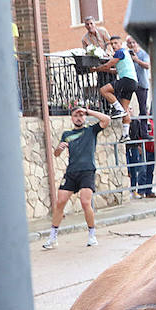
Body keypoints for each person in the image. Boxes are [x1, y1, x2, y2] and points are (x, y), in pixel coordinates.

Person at [43, 105, 111, 249]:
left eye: (81, 115)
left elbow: (106, 119)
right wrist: (58, 149)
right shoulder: (67, 134)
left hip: (87, 171)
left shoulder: (91, 130)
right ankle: (53, 237)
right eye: (76, 115)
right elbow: (56, 154)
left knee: (85, 202)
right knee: (60, 202)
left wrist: (88, 111)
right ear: (71, 118)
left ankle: (92, 234)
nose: (79, 118)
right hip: (72, 172)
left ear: (85, 117)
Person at [94, 35, 137, 123]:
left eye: (116, 43)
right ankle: (126, 135)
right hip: (133, 82)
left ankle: (118, 109)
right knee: (125, 110)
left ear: (121, 44)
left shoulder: (119, 52)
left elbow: (107, 66)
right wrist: (107, 70)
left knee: (103, 90)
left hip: (127, 80)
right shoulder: (126, 52)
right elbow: (115, 71)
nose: (113, 45)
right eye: (112, 44)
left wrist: (95, 69)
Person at [126, 35, 151, 117]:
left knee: (143, 109)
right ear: (127, 45)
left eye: (134, 42)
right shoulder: (126, 54)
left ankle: (144, 129)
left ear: (137, 43)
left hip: (142, 84)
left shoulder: (144, 53)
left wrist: (136, 60)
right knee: (125, 106)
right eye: (130, 43)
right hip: (130, 83)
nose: (132, 45)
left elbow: (147, 66)